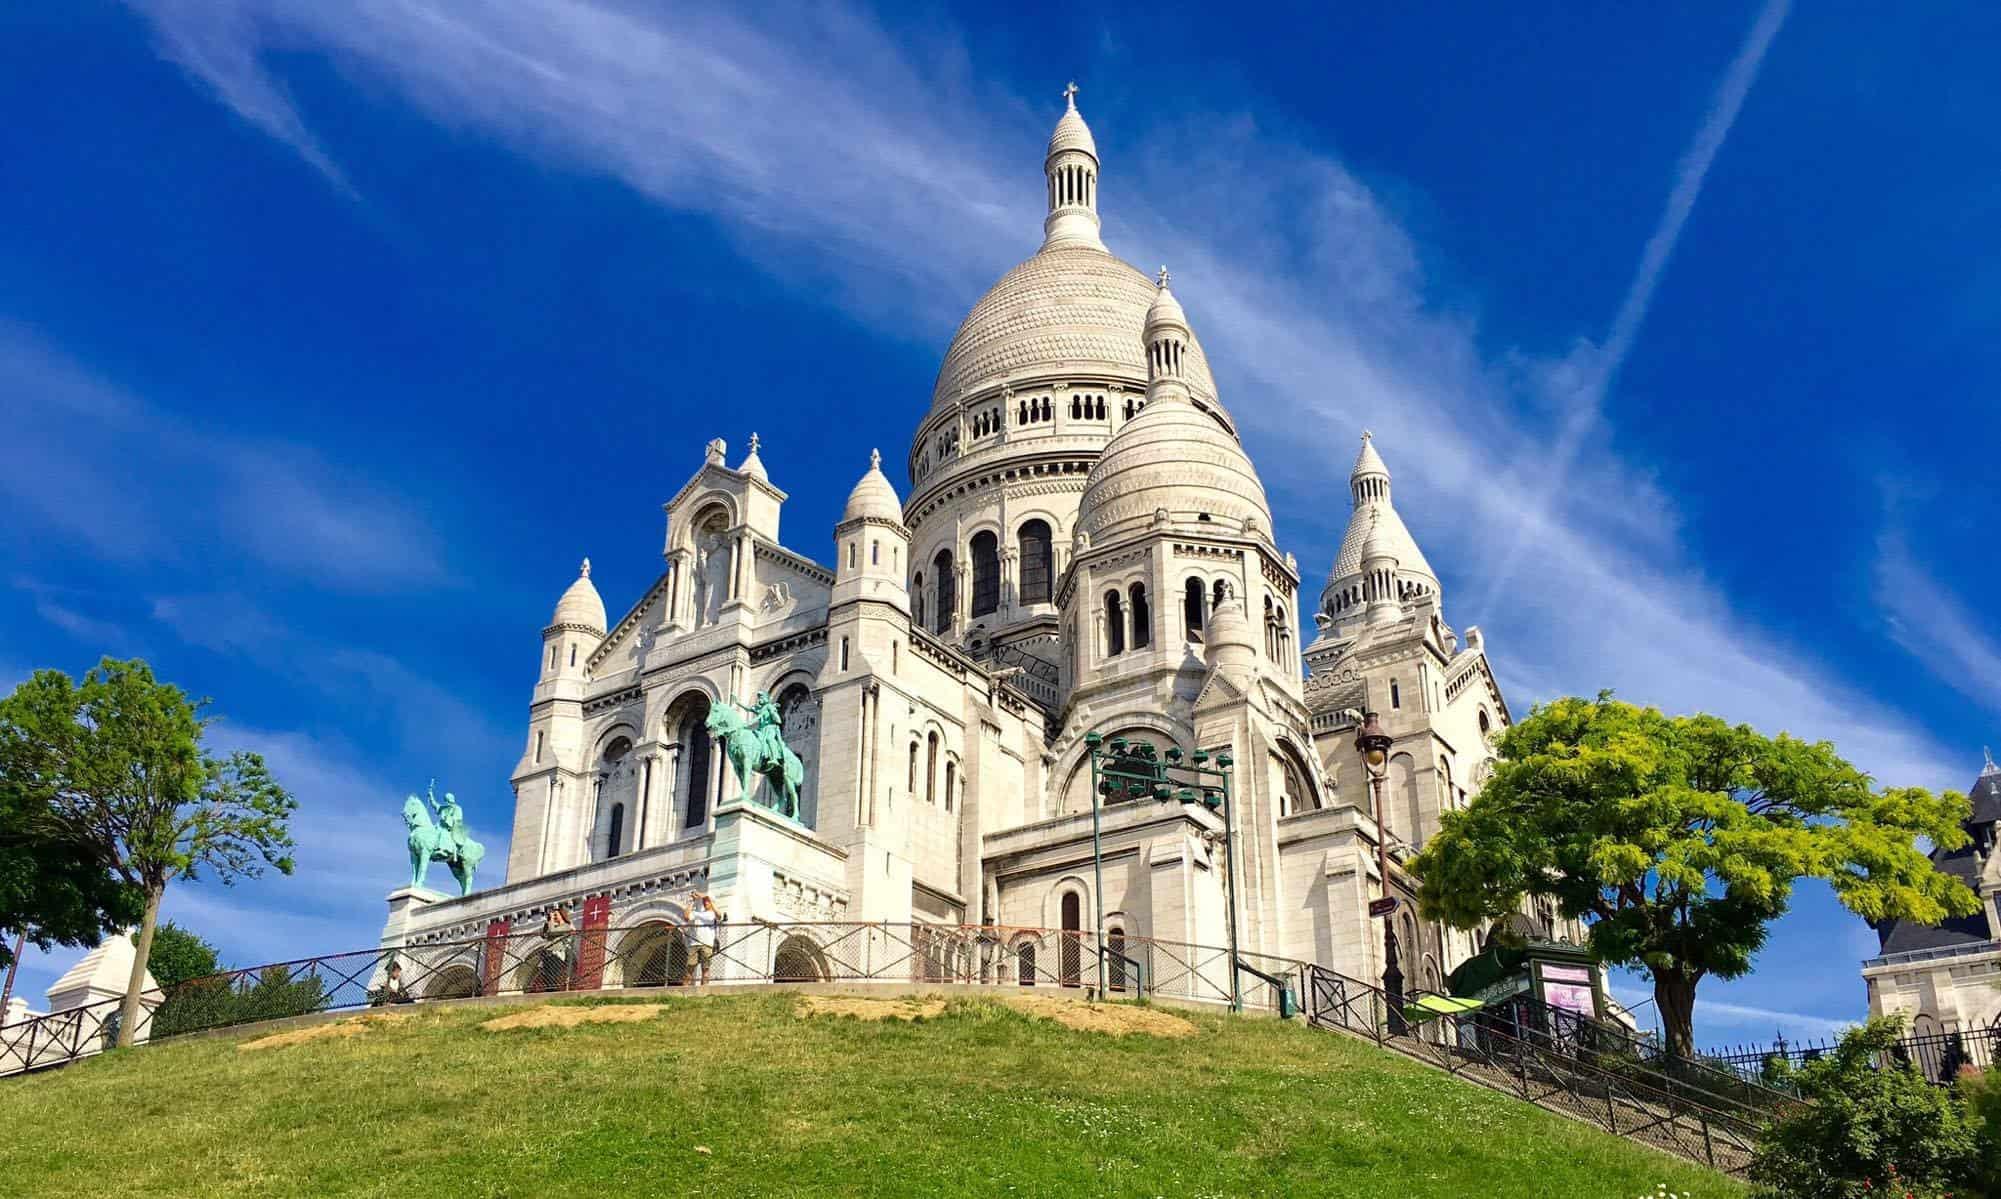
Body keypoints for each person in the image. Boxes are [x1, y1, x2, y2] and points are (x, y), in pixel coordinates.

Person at [685, 893, 722, 986]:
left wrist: (708, 897)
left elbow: (719, 915)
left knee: (705, 968)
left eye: (707, 901)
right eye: (704, 901)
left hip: (707, 944)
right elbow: (686, 917)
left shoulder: (713, 914)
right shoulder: (696, 913)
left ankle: (704, 988)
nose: (705, 903)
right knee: (690, 967)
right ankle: (684, 989)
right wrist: (693, 901)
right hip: (694, 943)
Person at [543, 904, 576, 991]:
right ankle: (548, 991)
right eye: (553, 915)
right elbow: (544, 935)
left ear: (562, 915)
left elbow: (552, 931)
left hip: (557, 953)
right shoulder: (553, 925)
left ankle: (552, 991)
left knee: (553, 974)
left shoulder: (566, 926)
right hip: (547, 952)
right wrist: (548, 921)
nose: (554, 917)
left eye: (555, 915)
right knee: (547, 975)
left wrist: (551, 920)